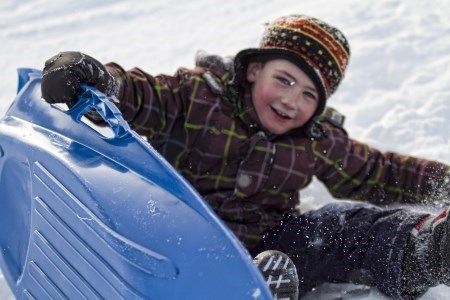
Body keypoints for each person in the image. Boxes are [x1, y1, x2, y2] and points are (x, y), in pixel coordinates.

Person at [40, 14, 450, 299]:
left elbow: (379, 170)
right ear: (254, 71)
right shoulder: (198, 95)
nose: (292, 101)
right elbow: (141, 95)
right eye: (284, 80)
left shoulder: (315, 139)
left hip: (265, 252)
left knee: (337, 227)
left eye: (309, 94)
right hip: (173, 233)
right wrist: (96, 80)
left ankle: (428, 250)